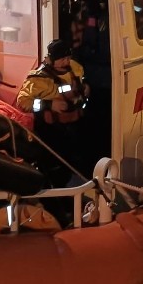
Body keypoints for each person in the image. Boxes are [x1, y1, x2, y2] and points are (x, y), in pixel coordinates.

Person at [16, 39, 89, 184]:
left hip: (75, 125)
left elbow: (80, 83)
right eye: (62, 59)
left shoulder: (75, 68)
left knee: (76, 159)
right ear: (52, 59)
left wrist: (85, 88)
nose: (66, 61)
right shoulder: (38, 80)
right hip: (52, 131)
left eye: (68, 57)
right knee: (54, 166)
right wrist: (48, 104)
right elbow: (22, 103)